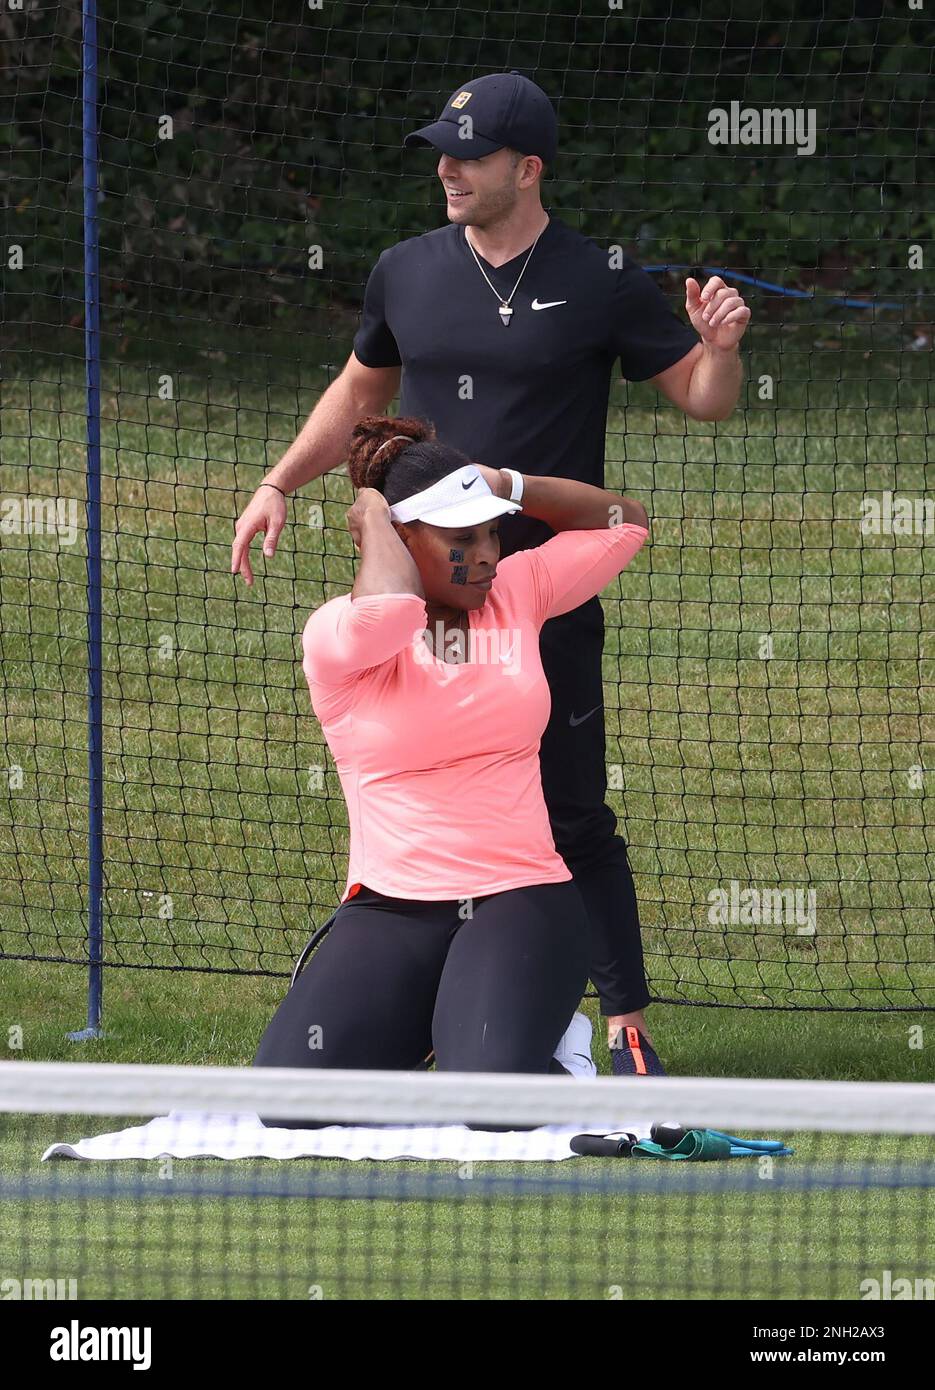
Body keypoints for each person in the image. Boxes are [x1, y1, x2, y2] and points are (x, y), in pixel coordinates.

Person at [233, 72, 751, 1074]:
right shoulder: (406, 270)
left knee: (570, 807)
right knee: (424, 786)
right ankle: (435, 998)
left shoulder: (596, 276)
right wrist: (280, 481)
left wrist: (720, 348)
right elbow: (359, 386)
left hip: (535, 587)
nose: (446, 169)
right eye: (442, 151)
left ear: (526, 167)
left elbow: (701, 396)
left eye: (467, 155)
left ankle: (619, 1020)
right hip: (414, 597)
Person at [252, 415, 649, 1113]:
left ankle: (544, 1041)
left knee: (487, 1106)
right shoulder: (338, 638)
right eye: (460, 539)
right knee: (289, 1104)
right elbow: (390, 614)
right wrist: (373, 510)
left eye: (490, 533)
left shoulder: (517, 595)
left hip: (522, 897)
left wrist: (507, 486)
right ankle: (444, 1023)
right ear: (400, 543)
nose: (487, 555)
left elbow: (625, 522)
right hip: (391, 907)